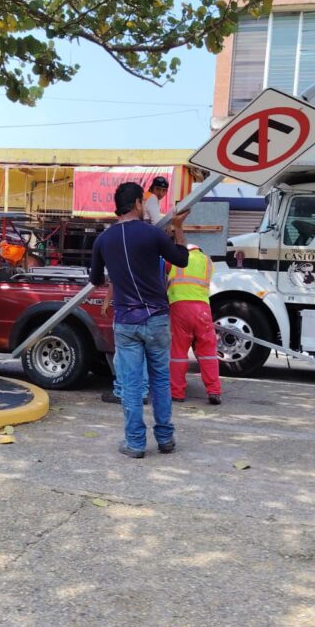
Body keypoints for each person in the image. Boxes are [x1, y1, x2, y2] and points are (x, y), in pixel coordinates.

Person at [89, 181, 189, 458]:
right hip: (156, 318)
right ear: (137, 203)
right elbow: (182, 259)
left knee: (131, 385)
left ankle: (135, 443)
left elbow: (95, 279)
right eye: (143, 202)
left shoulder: (103, 240)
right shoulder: (152, 234)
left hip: (126, 321)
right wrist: (178, 228)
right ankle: (165, 439)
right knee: (160, 380)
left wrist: (117, 273)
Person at [167, 243, 222, 405]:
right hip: (202, 309)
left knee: (178, 352)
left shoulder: (174, 259)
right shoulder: (208, 261)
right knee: (208, 352)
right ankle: (214, 391)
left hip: (180, 308)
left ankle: (177, 392)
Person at [101, 282, 149, 405]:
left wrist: (106, 302)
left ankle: (120, 392)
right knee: (142, 355)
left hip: (125, 315)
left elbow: (113, 281)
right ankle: (142, 393)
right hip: (147, 314)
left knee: (121, 355)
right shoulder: (153, 268)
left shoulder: (122, 267)